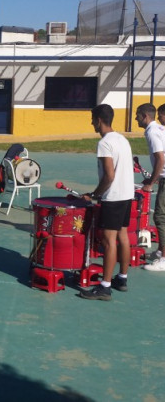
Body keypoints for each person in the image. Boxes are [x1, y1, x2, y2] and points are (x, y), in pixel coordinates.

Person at [80, 104, 134, 301]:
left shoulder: (104, 143)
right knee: (123, 236)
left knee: (108, 240)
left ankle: (105, 286)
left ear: (99, 120)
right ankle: (122, 278)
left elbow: (109, 176)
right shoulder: (122, 139)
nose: (92, 123)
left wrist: (94, 195)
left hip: (114, 197)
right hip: (127, 194)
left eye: (93, 119)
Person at [136, 103, 165, 271]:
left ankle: (164, 260)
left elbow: (161, 159)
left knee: (160, 217)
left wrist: (150, 183)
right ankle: (161, 251)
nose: (135, 118)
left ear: (145, 116)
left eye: (137, 115)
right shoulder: (160, 129)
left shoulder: (153, 132)